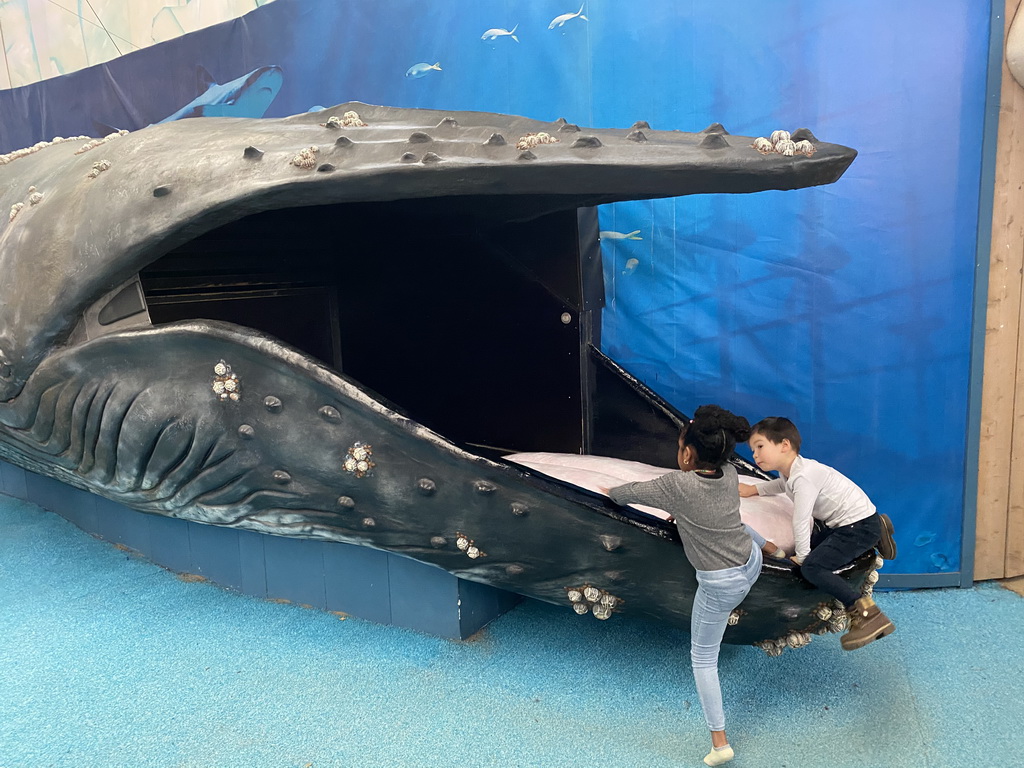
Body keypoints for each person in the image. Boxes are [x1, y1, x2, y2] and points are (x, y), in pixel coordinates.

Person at [601, 405, 770, 767]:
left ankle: (720, 742)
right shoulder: (726, 474)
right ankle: (771, 546)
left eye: (679, 447)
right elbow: (717, 514)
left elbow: (621, 494)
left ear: (688, 454)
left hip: (720, 584)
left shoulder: (676, 485)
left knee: (703, 659)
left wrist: (606, 487)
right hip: (750, 562)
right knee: (731, 525)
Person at [738, 416, 897, 651]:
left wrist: (802, 557)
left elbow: (801, 519)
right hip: (855, 521)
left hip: (857, 526)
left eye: (760, 446)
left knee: (812, 567)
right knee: (813, 548)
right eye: (753, 450)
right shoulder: (794, 472)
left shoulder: (804, 477)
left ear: (784, 445)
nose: (755, 455)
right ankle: (878, 528)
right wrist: (754, 490)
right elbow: (782, 486)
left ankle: (868, 615)